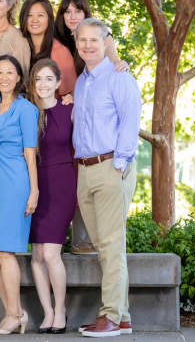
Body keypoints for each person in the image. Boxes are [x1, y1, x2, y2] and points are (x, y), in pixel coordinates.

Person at [73, 18, 141, 337]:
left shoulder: (119, 77)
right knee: (104, 245)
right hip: (85, 169)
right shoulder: (81, 81)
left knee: (111, 243)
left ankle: (110, 316)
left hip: (111, 166)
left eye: (94, 40)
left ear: (105, 42)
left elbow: (130, 122)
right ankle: (123, 315)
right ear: (77, 43)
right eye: (82, 40)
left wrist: (120, 163)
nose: (88, 45)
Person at [55, 0, 129, 255]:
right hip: (69, 117)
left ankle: (85, 239)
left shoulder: (98, 38)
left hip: (95, 125)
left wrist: (123, 63)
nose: (72, 16)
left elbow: (115, 66)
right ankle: (65, 236)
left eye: (78, 11)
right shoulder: (59, 42)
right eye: (67, 11)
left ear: (87, 14)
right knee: (74, 177)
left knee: (88, 177)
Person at [0, 55, 38, 335]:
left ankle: (13, 315)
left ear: (18, 78)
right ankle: (16, 312)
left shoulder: (26, 109)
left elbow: (30, 153)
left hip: (16, 183)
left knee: (4, 251)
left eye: (9, 72)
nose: (4, 77)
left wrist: (34, 191)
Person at [25, 59, 75, 335]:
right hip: (33, 184)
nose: (43, 84)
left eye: (48, 79)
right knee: (37, 254)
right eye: (38, 79)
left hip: (61, 183)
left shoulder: (70, 108)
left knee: (51, 252)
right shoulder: (26, 112)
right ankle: (47, 312)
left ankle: (61, 310)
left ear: (57, 83)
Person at [19, 0, 76, 95]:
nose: (34, 20)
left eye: (40, 15)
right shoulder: (19, 44)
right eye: (29, 15)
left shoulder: (59, 51)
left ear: (49, 19)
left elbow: (70, 92)